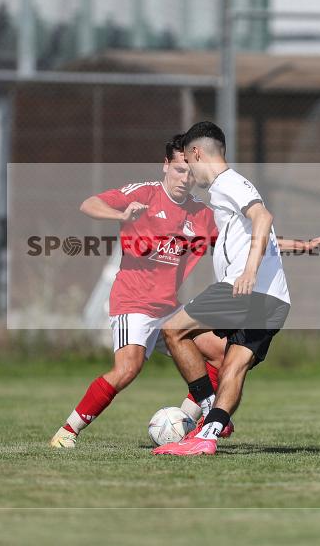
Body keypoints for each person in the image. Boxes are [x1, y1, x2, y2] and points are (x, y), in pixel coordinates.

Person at [152, 121, 320, 456]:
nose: (190, 174)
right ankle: (208, 436)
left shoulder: (226, 184)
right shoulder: (229, 191)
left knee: (171, 331)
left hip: (244, 290)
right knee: (232, 366)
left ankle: (204, 409)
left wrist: (248, 271)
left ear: (197, 153)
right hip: (274, 300)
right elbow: (262, 237)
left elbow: (264, 218)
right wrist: (302, 246)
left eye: (189, 164)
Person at [49, 135, 227, 448]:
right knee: (128, 369)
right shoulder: (143, 194)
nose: (184, 178)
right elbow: (89, 204)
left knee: (221, 354)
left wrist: (284, 245)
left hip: (168, 307)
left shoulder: (201, 214)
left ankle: (189, 422)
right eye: (178, 169)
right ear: (165, 166)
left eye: (190, 171)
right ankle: (66, 433)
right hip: (133, 302)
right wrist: (120, 216)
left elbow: (235, 239)